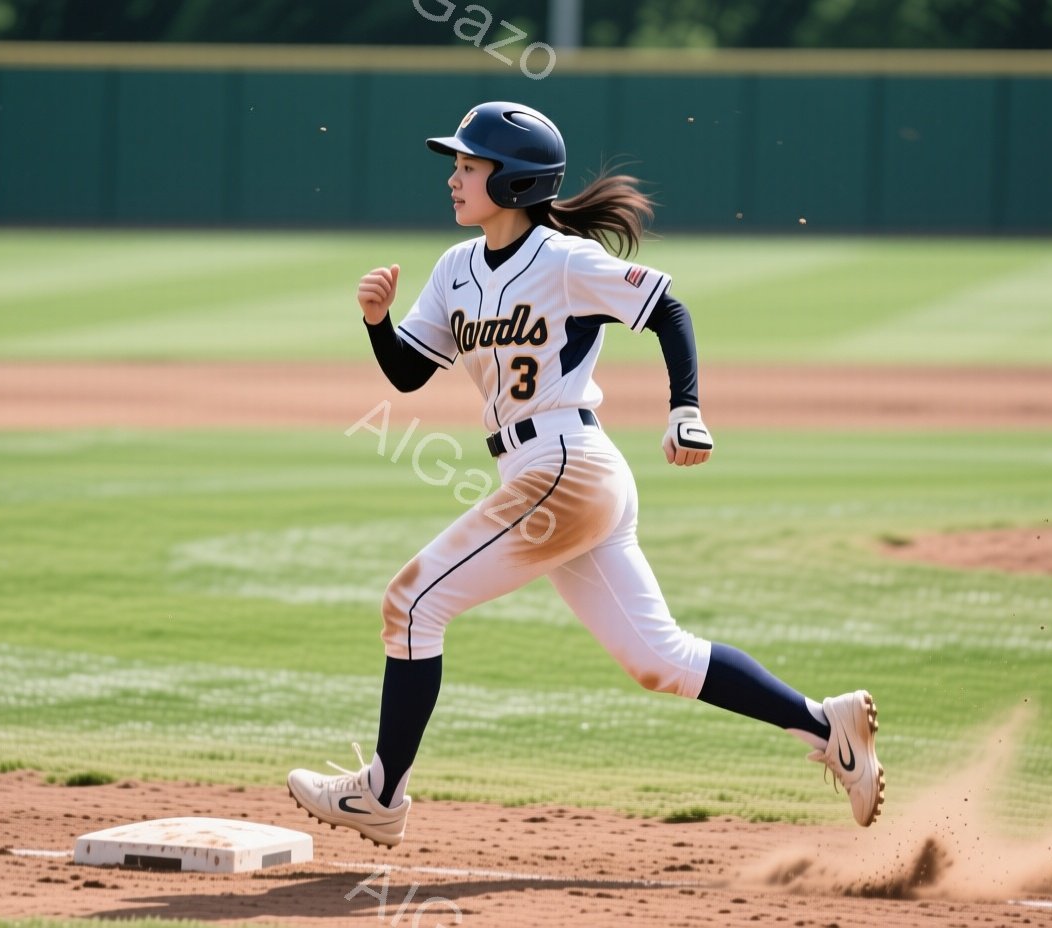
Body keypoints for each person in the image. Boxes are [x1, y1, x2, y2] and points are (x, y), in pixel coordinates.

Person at [286, 102, 883, 847]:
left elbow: (667, 305)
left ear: (512, 183)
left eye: (470, 165)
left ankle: (382, 793)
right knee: (659, 659)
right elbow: (411, 374)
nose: (455, 176)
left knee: (411, 605)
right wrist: (377, 321)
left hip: (565, 467)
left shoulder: (564, 260)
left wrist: (684, 409)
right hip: (552, 473)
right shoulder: (455, 269)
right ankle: (829, 727)